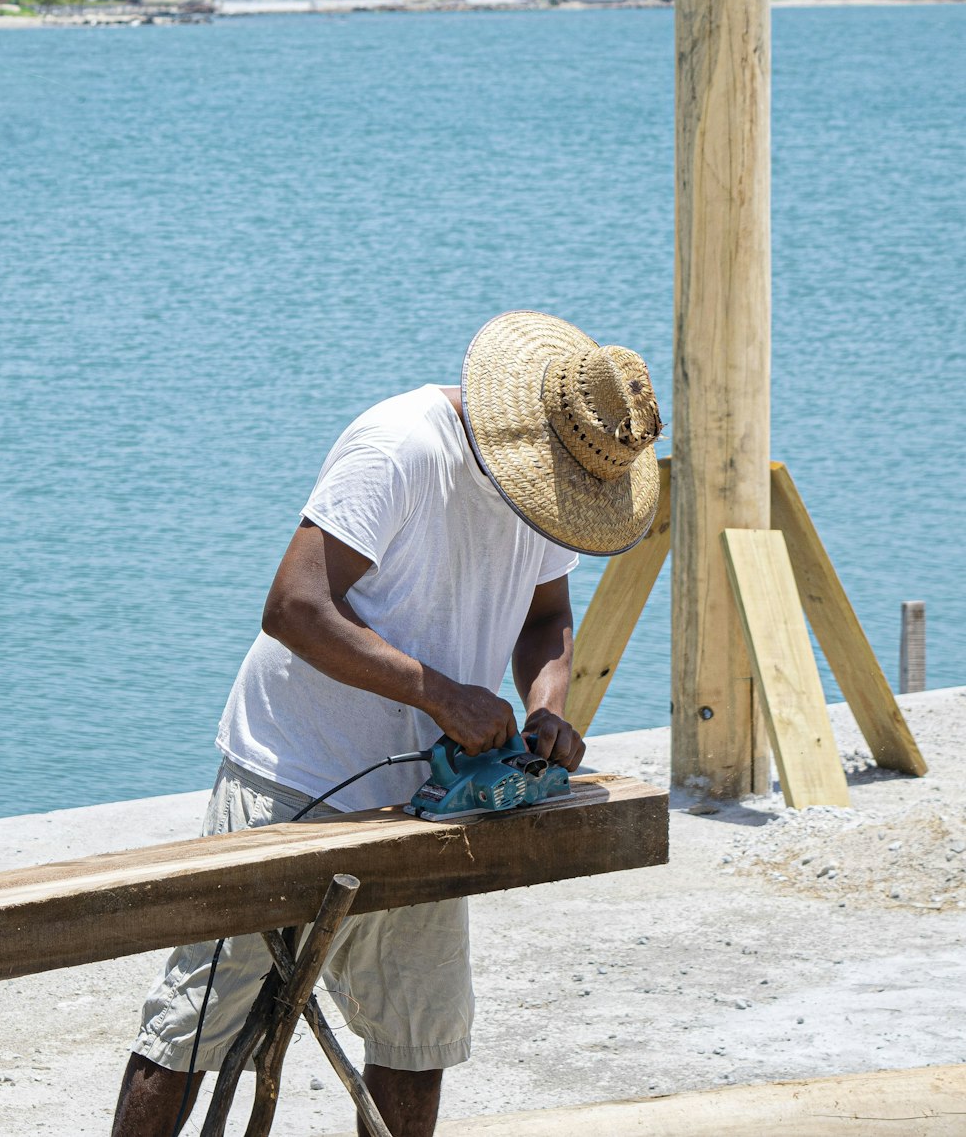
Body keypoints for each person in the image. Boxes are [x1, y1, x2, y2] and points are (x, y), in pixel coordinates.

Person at [111, 310, 662, 1137]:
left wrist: (548, 707)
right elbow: (294, 605)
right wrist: (441, 694)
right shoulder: (399, 447)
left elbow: (546, 619)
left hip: (428, 805)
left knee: (416, 1040)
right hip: (293, 774)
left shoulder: (557, 483)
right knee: (189, 1032)